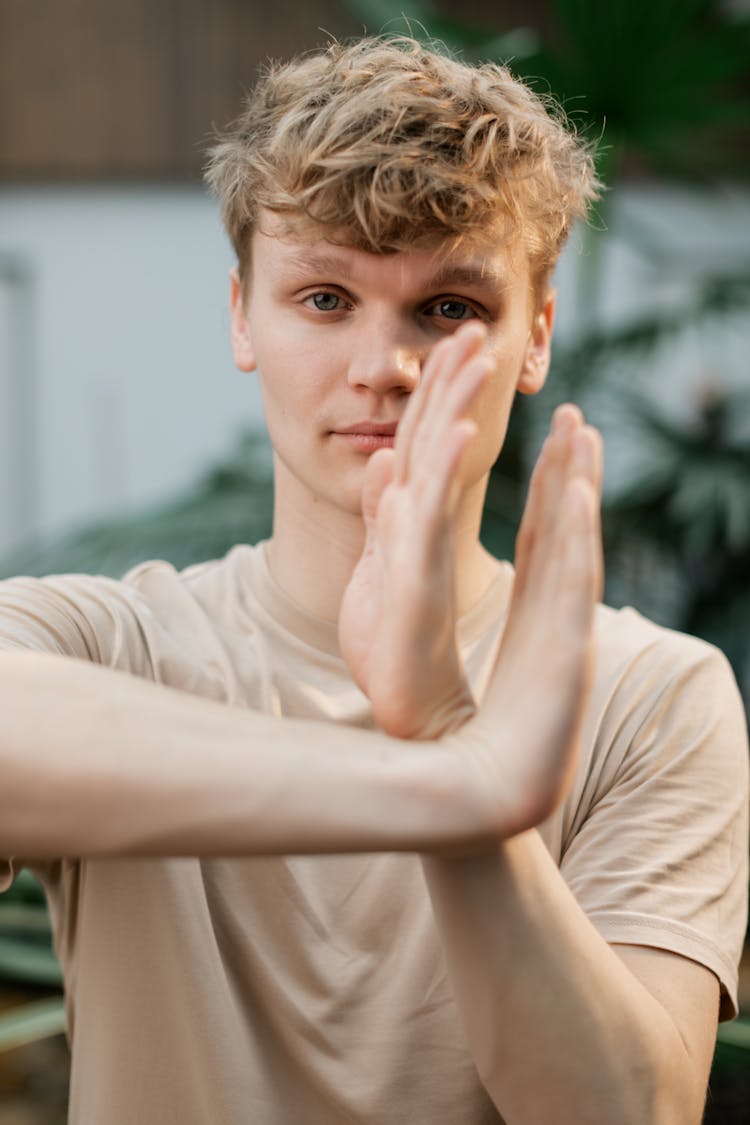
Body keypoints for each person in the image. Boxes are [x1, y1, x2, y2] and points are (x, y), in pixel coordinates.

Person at [0, 35, 746, 1125]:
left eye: (449, 308)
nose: (383, 367)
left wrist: (445, 728)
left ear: (535, 335)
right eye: (324, 299)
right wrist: (460, 783)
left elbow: (628, 1111)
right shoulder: (112, 643)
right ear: (240, 313)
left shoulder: (652, 694)